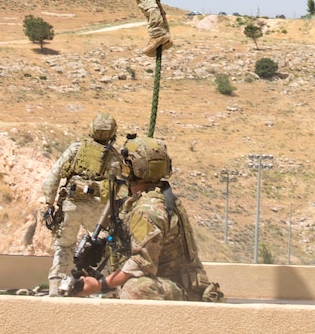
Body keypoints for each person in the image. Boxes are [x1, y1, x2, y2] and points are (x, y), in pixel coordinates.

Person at [70, 136, 224, 302]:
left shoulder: (148, 210)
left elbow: (142, 264)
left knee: (135, 289)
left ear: (132, 168)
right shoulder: (150, 198)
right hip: (170, 284)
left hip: (184, 290)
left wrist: (99, 285)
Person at [42, 113, 122, 297]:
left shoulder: (75, 149)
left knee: (64, 246)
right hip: (97, 210)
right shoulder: (113, 157)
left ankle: (55, 285)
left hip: (70, 205)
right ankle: (108, 289)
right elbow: (114, 189)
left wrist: (49, 203)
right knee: (106, 245)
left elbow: (53, 177)